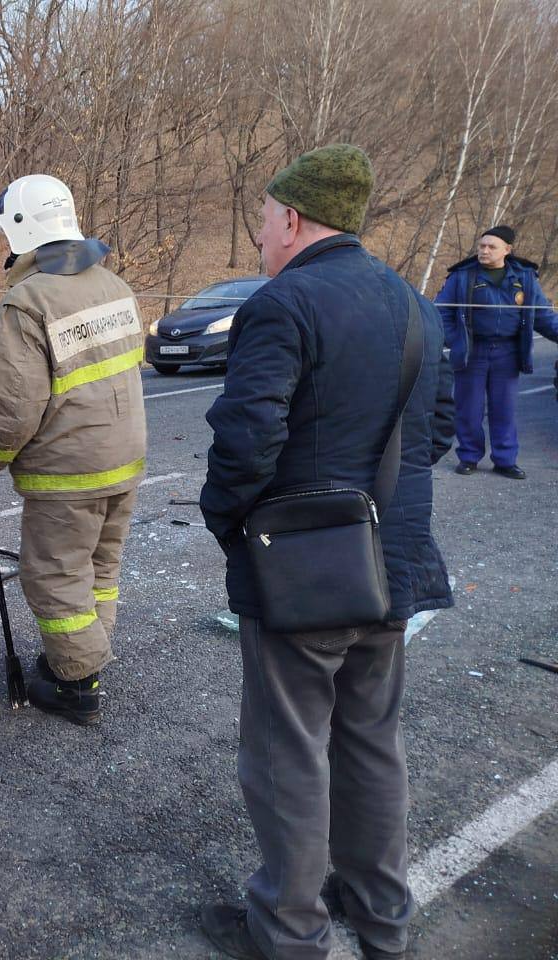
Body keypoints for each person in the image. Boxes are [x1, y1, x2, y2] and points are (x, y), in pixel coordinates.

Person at [198, 144, 454, 960]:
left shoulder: (283, 304)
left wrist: (228, 520)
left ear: (293, 219)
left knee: (288, 752)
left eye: (267, 220)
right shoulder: (417, 306)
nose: (262, 236)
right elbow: (436, 432)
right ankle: (383, 920)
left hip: (304, 570)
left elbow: (247, 437)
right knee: (372, 739)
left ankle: (289, 931)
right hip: (395, 563)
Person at [0, 174, 146, 725]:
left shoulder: (28, 302)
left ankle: (76, 685)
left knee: (55, 574)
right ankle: (82, 661)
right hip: (125, 460)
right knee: (99, 568)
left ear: (23, 228)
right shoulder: (115, 286)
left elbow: (11, 404)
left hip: (68, 471)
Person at [434, 225, 558, 480]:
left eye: (491, 247)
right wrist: (455, 340)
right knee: (468, 408)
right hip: (473, 351)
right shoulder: (463, 275)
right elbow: (441, 312)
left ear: (507, 250)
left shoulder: (523, 276)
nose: (485, 251)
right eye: (482, 246)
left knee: (505, 408)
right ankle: (469, 456)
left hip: (508, 352)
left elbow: (543, 316)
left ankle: (505, 460)